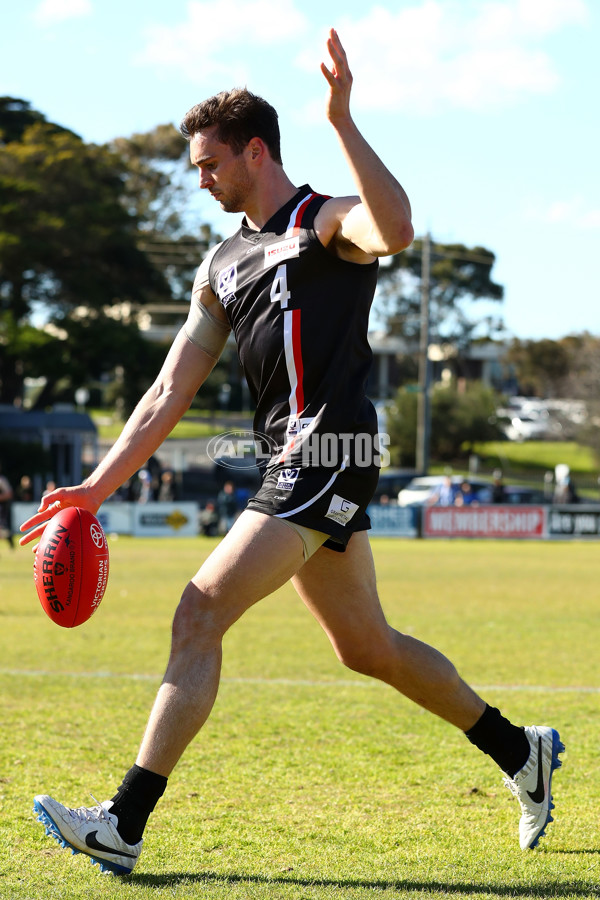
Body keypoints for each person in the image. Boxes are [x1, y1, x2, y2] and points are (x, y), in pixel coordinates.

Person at [20, 29, 563, 876]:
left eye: (209, 162)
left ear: (256, 151)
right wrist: (92, 488)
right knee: (366, 647)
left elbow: (398, 227)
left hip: (330, 453)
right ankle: (519, 751)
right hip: (288, 460)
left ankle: (123, 824)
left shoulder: (327, 224)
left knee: (198, 610)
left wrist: (343, 119)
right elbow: (169, 392)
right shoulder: (220, 266)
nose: (199, 177)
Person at [0, 466, 14, 550]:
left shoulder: (2, 480)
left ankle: (10, 538)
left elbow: (9, 494)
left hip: (1, 508)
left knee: (2, 528)